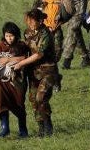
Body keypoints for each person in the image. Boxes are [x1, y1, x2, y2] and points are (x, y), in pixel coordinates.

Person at [13, 9, 58, 137]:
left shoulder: (46, 34)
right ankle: (41, 127)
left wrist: (21, 64)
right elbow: (25, 49)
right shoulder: (27, 33)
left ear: (40, 21)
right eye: (28, 21)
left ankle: (48, 125)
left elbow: (38, 54)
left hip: (48, 71)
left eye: (32, 21)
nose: (30, 24)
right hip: (33, 72)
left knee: (41, 97)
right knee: (33, 100)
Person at [0, 22, 30, 138]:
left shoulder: (21, 45)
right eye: (7, 36)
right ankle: (4, 128)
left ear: (16, 35)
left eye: (11, 36)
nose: (9, 38)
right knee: (1, 100)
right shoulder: (2, 45)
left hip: (17, 81)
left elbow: (24, 58)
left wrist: (8, 59)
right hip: (3, 80)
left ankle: (23, 130)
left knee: (19, 104)